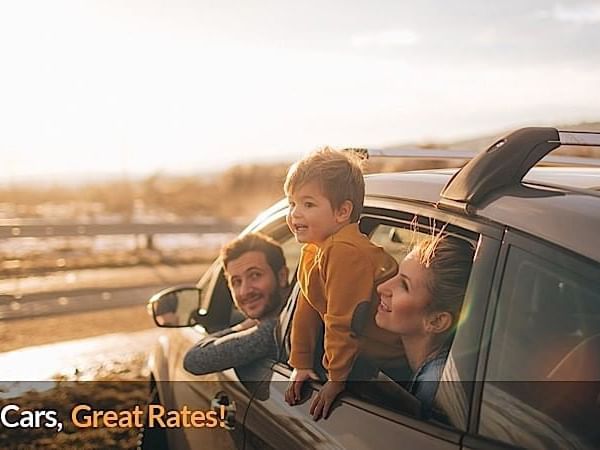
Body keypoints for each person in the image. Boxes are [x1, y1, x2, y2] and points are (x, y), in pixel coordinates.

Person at [283, 148, 404, 420]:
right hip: (367, 359)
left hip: (392, 363)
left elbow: (343, 320)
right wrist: (300, 363)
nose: (295, 214)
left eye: (308, 204)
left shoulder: (344, 251)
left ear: (342, 212)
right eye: (292, 203)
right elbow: (308, 307)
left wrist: (335, 379)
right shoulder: (315, 250)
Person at [375, 234, 474, 417]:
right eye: (396, 274)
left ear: (436, 321)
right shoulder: (443, 370)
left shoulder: (433, 388)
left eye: (404, 285)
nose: (382, 287)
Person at [183, 232, 290, 375]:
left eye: (255, 275)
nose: (245, 291)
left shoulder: (277, 330)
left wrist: (243, 326)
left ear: (282, 276)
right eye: (236, 282)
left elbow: (194, 360)